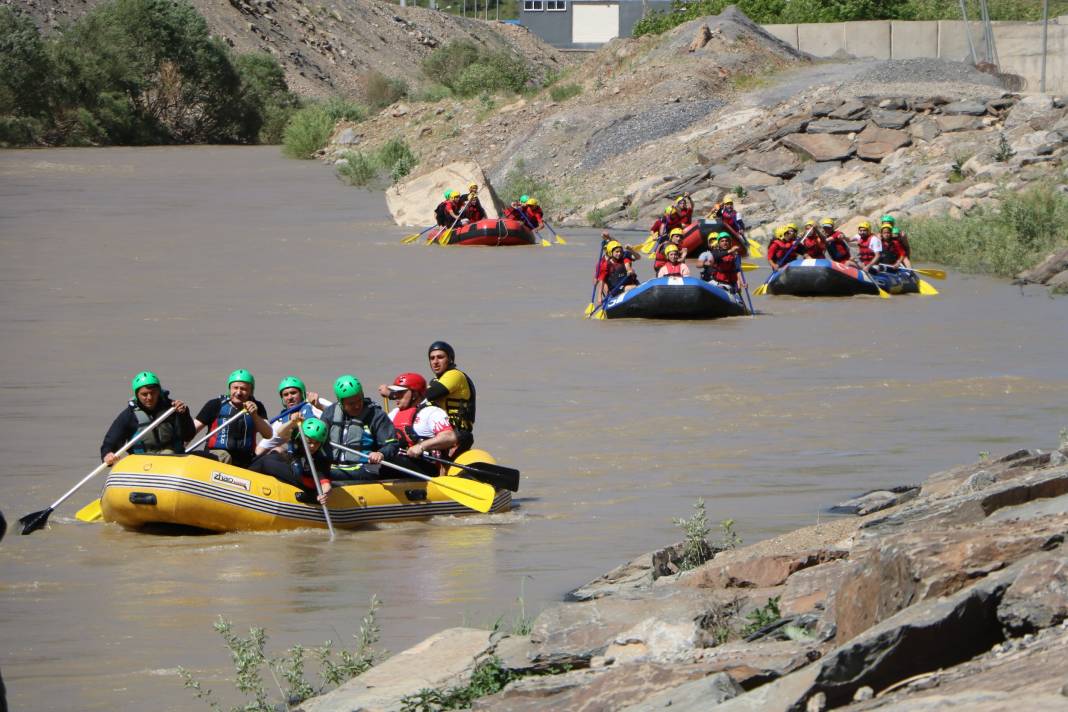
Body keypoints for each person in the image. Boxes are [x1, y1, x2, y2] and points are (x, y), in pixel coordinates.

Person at [100, 371, 196, 465]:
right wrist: (107, 454)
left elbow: (188, 435)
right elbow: (110, 442)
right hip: (143, 464)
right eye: (144, 394)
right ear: (137, 395)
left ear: (159, 392)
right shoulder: (129, 416)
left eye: (153, 393)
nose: (149, 398)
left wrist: (184, 415)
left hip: (172, 461)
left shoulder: (173, 409)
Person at [322, 375, 399, 480]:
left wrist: (380, 453)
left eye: (359, 400)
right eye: (351, 403)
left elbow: (391, 444)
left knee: (331, 474)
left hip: (364, 467)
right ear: (341, 402)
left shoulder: (376, 415)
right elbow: (318, 439)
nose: (357, 406)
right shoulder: (330, 413)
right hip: (333, 465)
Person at [192, 369, 272, 467]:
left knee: (270, 460)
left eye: (243, 389)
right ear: (229, 388)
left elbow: (268, 434)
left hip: (245, 460)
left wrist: (255, 415)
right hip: (216, 456)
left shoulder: (257, 407)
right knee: (224, 456)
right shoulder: (215, 404)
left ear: (251, 391)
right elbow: (191, 431)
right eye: (235, 388)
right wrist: (180, 447)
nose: (238, 392)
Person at [385, 372, 458, 476]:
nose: (395, 396)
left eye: (401, 392)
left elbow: (450, 437)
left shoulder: (432, 412)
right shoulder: (394, 413)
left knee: (391, 462)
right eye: (395, 392)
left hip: (426, 467)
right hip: (398, 463)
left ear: (415, 394)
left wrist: (421, 446)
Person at [249, 417, 335, 504]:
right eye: (309, 442)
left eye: (317, 443)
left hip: (304, 482)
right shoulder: (298, 437)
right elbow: (279, 433)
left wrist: (325, 494)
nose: (313, 446)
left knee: (267, 463)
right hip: (294, 467)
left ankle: (247, 477)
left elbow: (325, 484)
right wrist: (292, 422)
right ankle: (248, 472)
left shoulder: (321, 458)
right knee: (275, 453)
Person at [422, 341, 476, 453]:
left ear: (450, 359)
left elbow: (430, 395)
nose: (435, 362)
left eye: (440, 357)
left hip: (457, 433)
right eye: (432, 358)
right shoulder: (435, 381)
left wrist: (393, 393)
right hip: (440, 432)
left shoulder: (455, 375)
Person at [255, 376, 330, 456]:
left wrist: (320, 406)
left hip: (327, 455)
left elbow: (338, 413)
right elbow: (260, 449)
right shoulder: (281, 421)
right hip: (301, 458)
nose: (290, 397)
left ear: (302, 394)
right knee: (277, 450)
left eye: (293, 393)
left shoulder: (317, 403)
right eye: (286, 395)